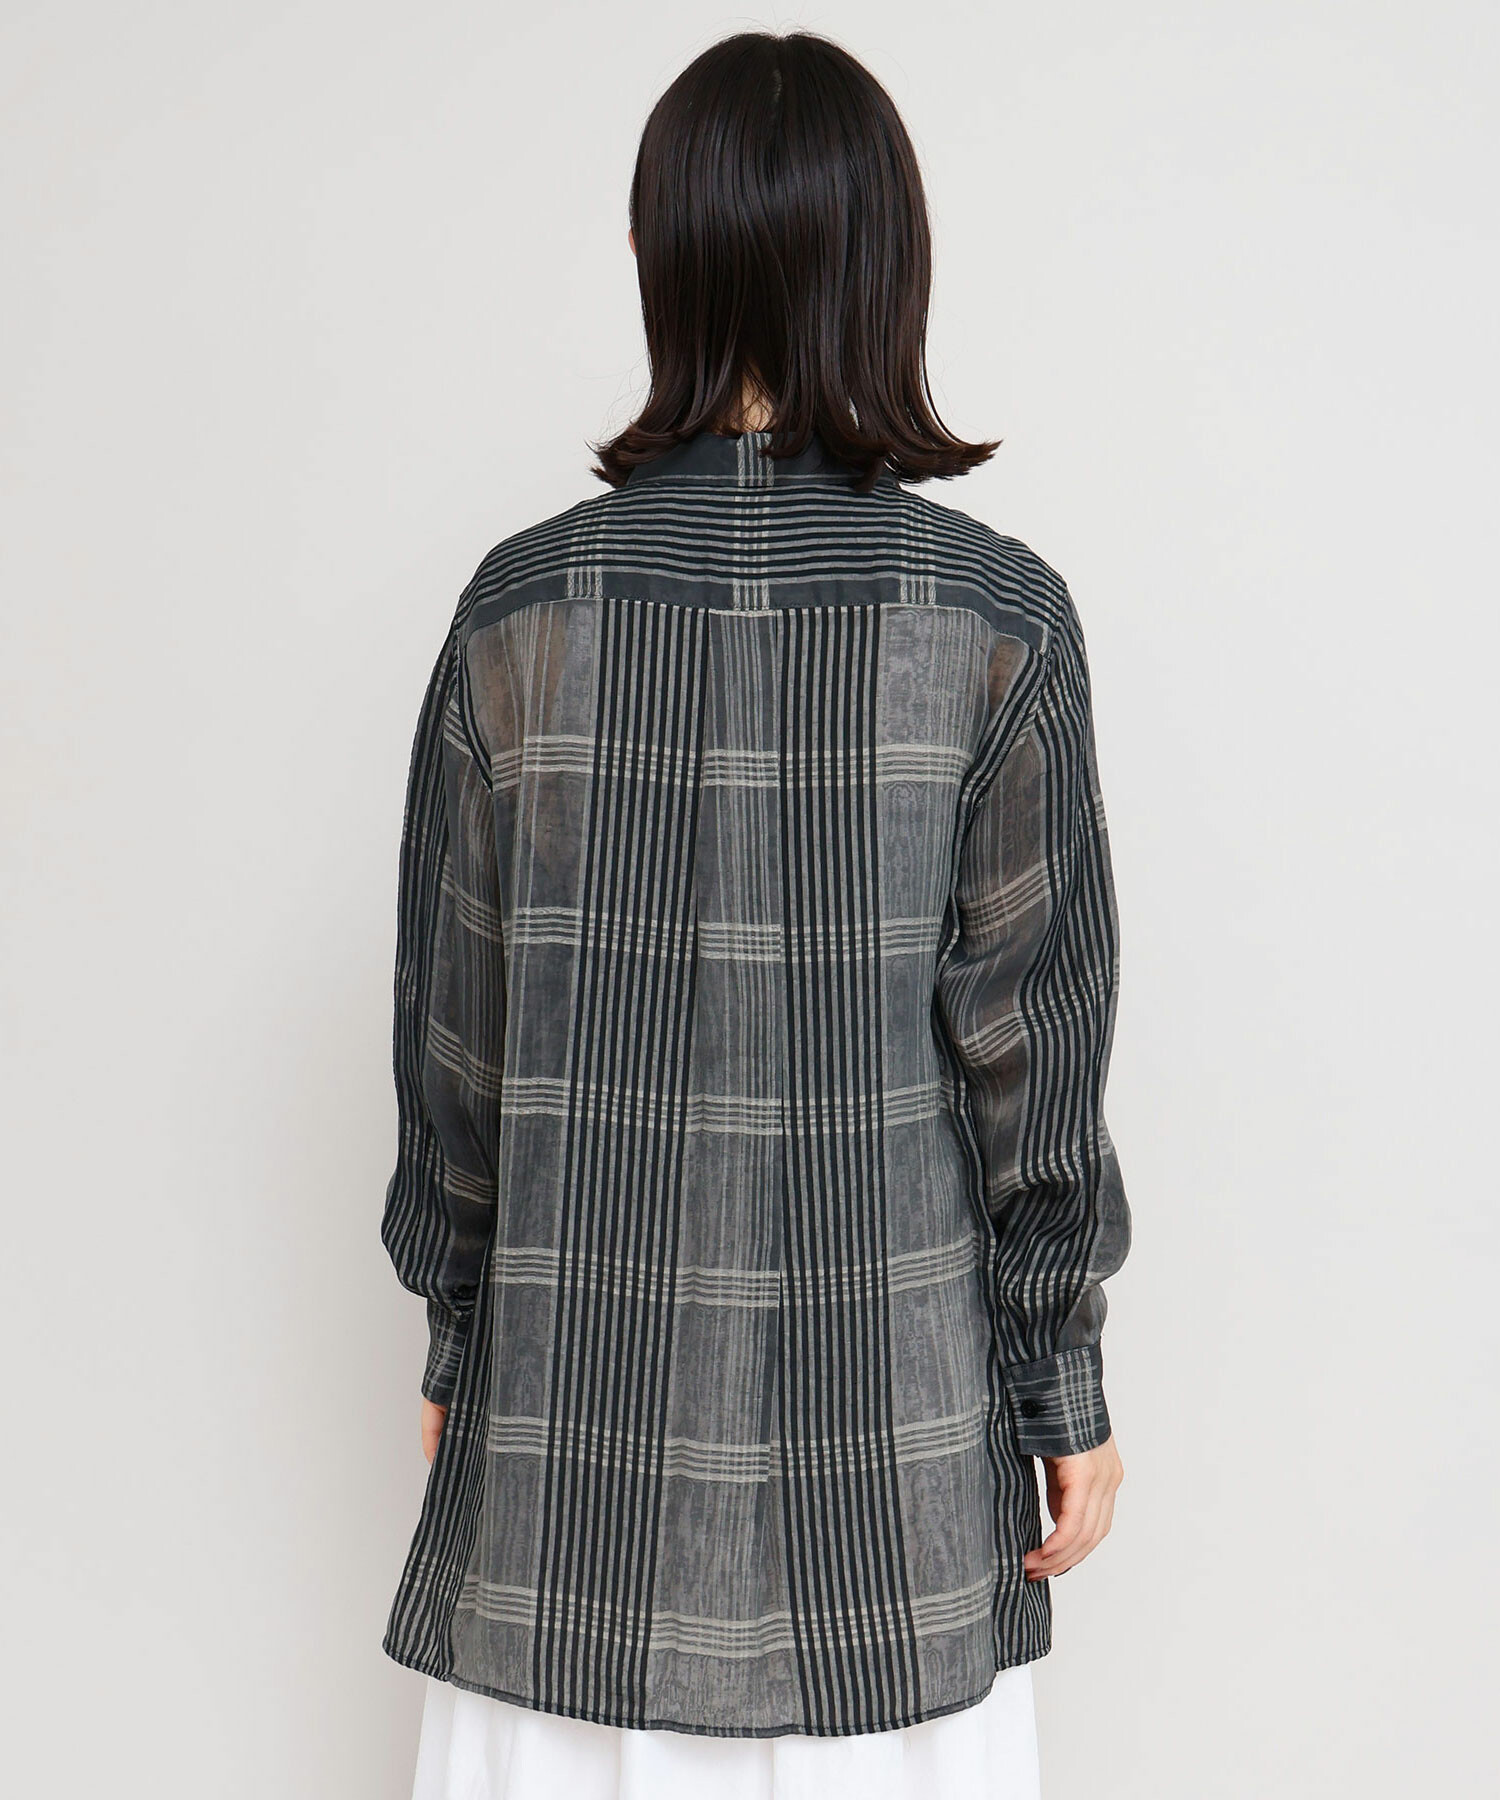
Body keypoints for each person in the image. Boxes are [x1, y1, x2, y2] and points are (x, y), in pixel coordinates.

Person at [379, 28, 1130, 1799]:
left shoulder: (521, 611)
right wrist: (1061, 1388)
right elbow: (1034, 1063)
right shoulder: (994, 619)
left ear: (663, 257)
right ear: (891, 263)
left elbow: (454, 1043)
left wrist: (458, 1333)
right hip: (892, 1473)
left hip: (569, 1457)